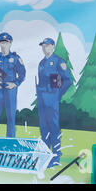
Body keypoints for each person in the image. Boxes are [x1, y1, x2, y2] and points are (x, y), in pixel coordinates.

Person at [36, 38, 72, 167]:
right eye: (43, 46)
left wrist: (57, 95)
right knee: (44, 128)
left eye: (47, 46)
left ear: (53, 47)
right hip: (42, 100)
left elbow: (67, 80)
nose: (45, 48)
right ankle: (45, 156)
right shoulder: (41, 63)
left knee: (54, 127)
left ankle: (56, 157)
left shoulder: (59, 62)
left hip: (52, 100)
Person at [0, 32, 26, 138]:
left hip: (10, 90)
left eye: (6, 42)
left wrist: (15, 84)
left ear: (10, 43)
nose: (4, 45)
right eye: (2, 42)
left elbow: (22, 74)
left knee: (11, 116)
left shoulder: (16, 58)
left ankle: (10, 141)